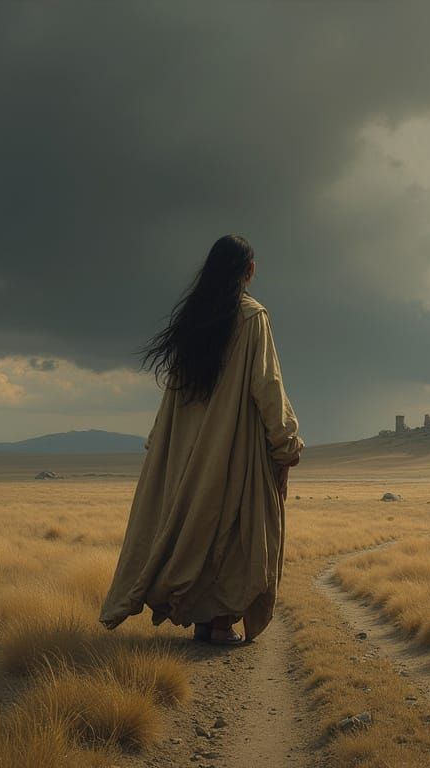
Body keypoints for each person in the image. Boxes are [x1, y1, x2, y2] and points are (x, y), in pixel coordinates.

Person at [99, 234, 303, 645]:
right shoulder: (251, 317)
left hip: (189, 451)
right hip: (235, 450)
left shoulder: (194, 319)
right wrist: (286, 443)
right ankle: (220, 622)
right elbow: (268, 385)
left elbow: (173, 394)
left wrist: (162, 443)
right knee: (234, 529)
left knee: (199, 523)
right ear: (247, 271)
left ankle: (205, 619)